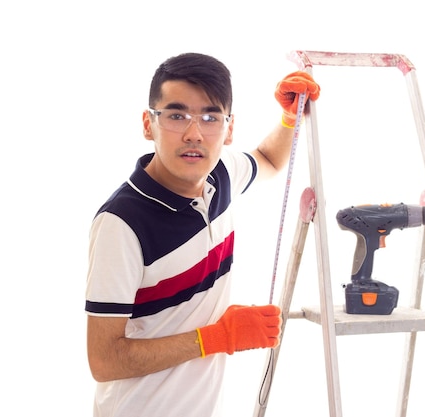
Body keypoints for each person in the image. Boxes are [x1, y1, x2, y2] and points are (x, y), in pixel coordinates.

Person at [84, 52, 320, 417]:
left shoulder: (221, 174)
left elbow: (269, 160)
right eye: (177, 115)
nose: (194, 133)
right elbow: (105, 360)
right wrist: (219, 337)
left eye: (210, 117)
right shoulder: (122, 223)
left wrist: (290, 118)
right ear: (149, 124)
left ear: (229, 129)